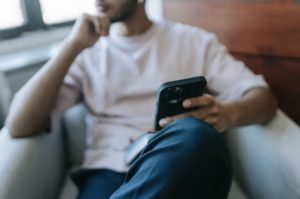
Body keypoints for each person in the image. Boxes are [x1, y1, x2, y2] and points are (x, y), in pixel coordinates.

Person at [4, 0, 278, 198]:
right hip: (106, 172)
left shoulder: (193, 41)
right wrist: (71, 46)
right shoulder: (87, 51)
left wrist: (227, 113)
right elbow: (18, 125)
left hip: (174, 162)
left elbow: (263, 99)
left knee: (197, 134)